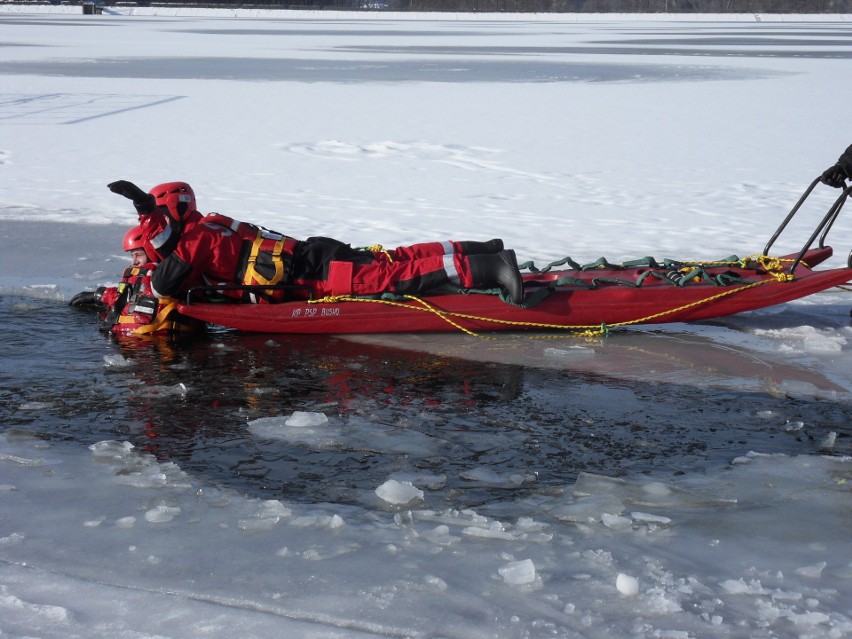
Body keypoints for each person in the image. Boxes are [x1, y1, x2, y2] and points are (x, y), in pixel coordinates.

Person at [104, 180, 526, 305]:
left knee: (396, 277)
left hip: (315, 274)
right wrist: (148, 214)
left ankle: (491, 269)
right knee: (397, 258)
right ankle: (482, 249)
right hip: (314, 252)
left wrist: (148, 220)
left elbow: (163, 284)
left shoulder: (194, 242)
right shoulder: (212, 224)